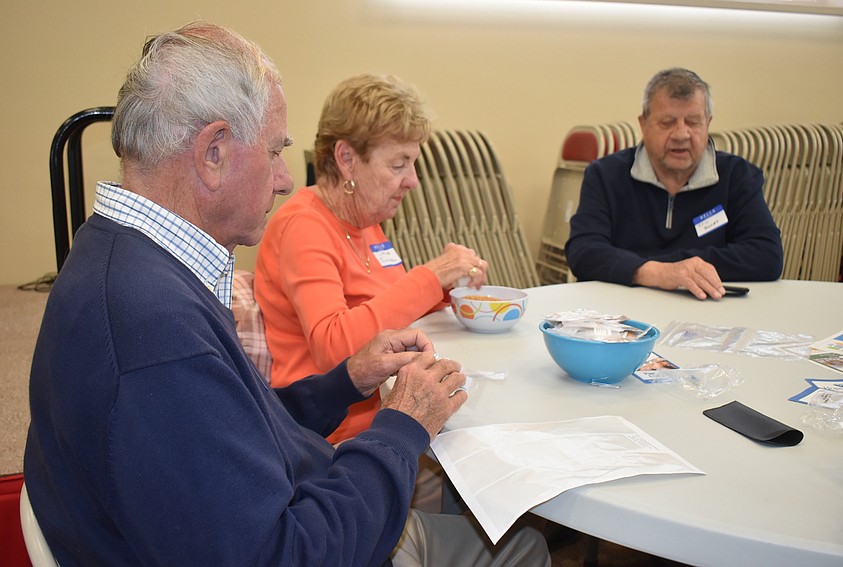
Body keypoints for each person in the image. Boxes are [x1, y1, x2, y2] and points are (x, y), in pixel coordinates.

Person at [23, 22, 549, 566]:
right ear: (213, 153)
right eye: (275, 152)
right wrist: (400, 429)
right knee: (522, 549)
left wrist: (343, 381)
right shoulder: (156, 333)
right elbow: (285, 554)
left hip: (288, 498)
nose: (282, 178)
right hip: (313, 530)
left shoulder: (119, 260)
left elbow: (238, 424)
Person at [255, 74, 489, 443]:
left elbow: (387, 310)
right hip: (334, 433)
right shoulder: (303, 226)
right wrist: (431, 274)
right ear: (347, 158)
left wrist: (449, 286)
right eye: (399, 165)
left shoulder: (365, 221)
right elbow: (334, 347)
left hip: (387, 409)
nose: (412, 181)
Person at [565, 67, 783, 300]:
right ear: (644, 124)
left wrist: (681, 270)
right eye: (667, 122)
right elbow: (583, 251)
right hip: (622, 313)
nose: (681, 134)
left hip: (710, 312)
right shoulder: (605, 175)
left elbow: (767, 255)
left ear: (708, 123)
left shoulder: (736, 176)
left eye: (693, 122)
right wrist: (657, 272)